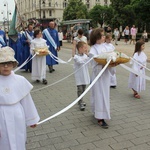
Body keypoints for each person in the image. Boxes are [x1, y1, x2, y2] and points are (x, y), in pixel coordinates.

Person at [0, 46, 40, 149]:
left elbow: (27, 101)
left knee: (18, 138)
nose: (5, 67)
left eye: (8, 63)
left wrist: (32, 119)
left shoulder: (20, 80)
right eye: (2, 64)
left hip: (17, 115)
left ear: (13, 64)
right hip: (1, 117)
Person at [89, 28, 116, 129]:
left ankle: (101, 112)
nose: (104, 37)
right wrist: (104, 62)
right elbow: (94, 63)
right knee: (99, 95)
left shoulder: (105, 47)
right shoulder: (93, 49)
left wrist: (112, 63)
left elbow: (110, 56)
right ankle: (100, 117)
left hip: (105, 76)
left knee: (105, 94)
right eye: (102, 35)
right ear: (97, 38)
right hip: (98, 76)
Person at [73, 41, 90, 111]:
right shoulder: (76, 57)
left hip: (84, 75)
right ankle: (80, 102)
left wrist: (87, 57)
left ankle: (81, 100)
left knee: (83, 89)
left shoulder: (85, 56)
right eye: (84, 48)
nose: (86, 49)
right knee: (80, 89)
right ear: (80, 49)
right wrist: (87, 58)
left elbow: (88, 62)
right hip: (79, 76)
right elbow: (80, 62)